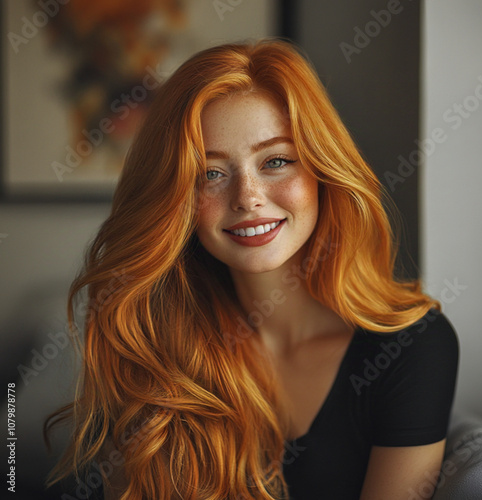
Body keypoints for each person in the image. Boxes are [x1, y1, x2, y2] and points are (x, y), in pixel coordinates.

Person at [44, 38, 459, 499]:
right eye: (211, 173)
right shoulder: (144, 342)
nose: (248, 197)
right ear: (176, 198)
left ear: (323, 170)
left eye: (276, 161)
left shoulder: (414, 347)